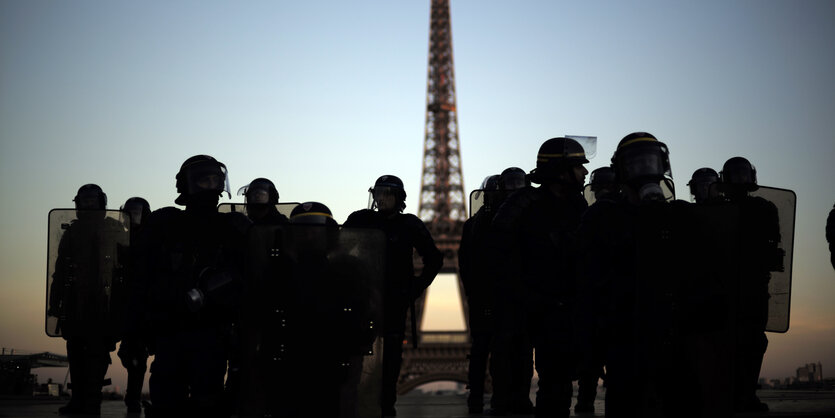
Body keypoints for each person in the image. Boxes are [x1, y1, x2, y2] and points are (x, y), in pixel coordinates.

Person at [133, 155, 250, 417]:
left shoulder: (233, 226)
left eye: (214, 180)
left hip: (212, 331)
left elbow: (249, 279)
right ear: (186, 186)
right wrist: (134, 334)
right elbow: (140, 279)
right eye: (202, 181)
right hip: (169, 328)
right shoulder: (164, 224)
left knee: (207, 403)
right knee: (166, 402)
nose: (210, 187)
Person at [489, 138, 589, 417]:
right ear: (560, 170)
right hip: (527, 308)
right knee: (516, 377)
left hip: (559, 310)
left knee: (558, 388)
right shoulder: (523, 204)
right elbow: (499, 258)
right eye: (578, 166)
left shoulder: (577, 205)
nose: (584, 173)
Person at [344, 175, 443, 417]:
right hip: (364, 301)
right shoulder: (362, 219)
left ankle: (386, 406)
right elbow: (340, 247)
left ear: (399, 198)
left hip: (393, 302)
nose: (381, 198)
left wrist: (414, 289)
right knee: (355, 356)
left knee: (389, 360)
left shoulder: (409, 224)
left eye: (387, 193)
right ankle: (354, 403)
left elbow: (435, 259)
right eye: (378, 193)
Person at [49, 184, 126, 415]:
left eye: (93, 201)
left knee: (97, 354)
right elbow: (60, 270)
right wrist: (55, 301)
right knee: (75, 351)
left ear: (101, 202)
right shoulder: (72, 232)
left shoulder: (114, 229)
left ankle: (91, 402)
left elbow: (124, 269)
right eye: (85, 201)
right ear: (78, 203)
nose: (89, 204)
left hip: (103, 302)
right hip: (75, 301)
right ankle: (78, 401)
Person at [719, 156, 782, 413]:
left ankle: (741, 395)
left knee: (751, 343)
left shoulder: (761, 208)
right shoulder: (762, 208)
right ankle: (740, 396)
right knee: (745, 343)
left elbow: (771, 246)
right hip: (737, 288)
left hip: (747, 287)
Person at [117, 197, 152, 413]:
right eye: (129, 213)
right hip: (123, 303)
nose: (133, 217)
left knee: (139, 355)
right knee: (129, 354)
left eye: (137, 213)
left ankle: (133, 398)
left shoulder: (153, 239)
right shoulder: (117, 236)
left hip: (146, 305)